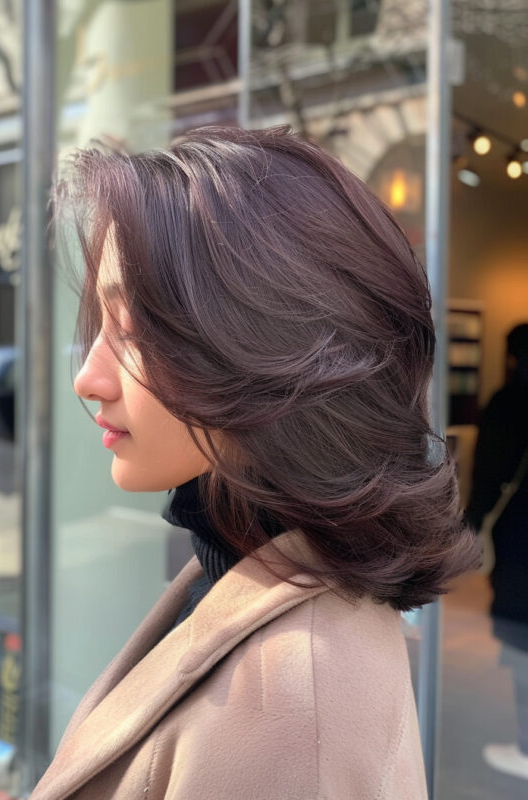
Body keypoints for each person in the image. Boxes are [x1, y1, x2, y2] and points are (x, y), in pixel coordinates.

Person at [31, 125, 480, 799]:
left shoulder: (292, 710)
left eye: (131, 330)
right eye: (101, 325)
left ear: (262, 343)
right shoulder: (242, 565)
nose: (87, 379)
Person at [464, 323, 528, 781]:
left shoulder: (510, 404)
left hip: (522, 538)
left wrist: (469, 525)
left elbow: (489, 472)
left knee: (521, 638)